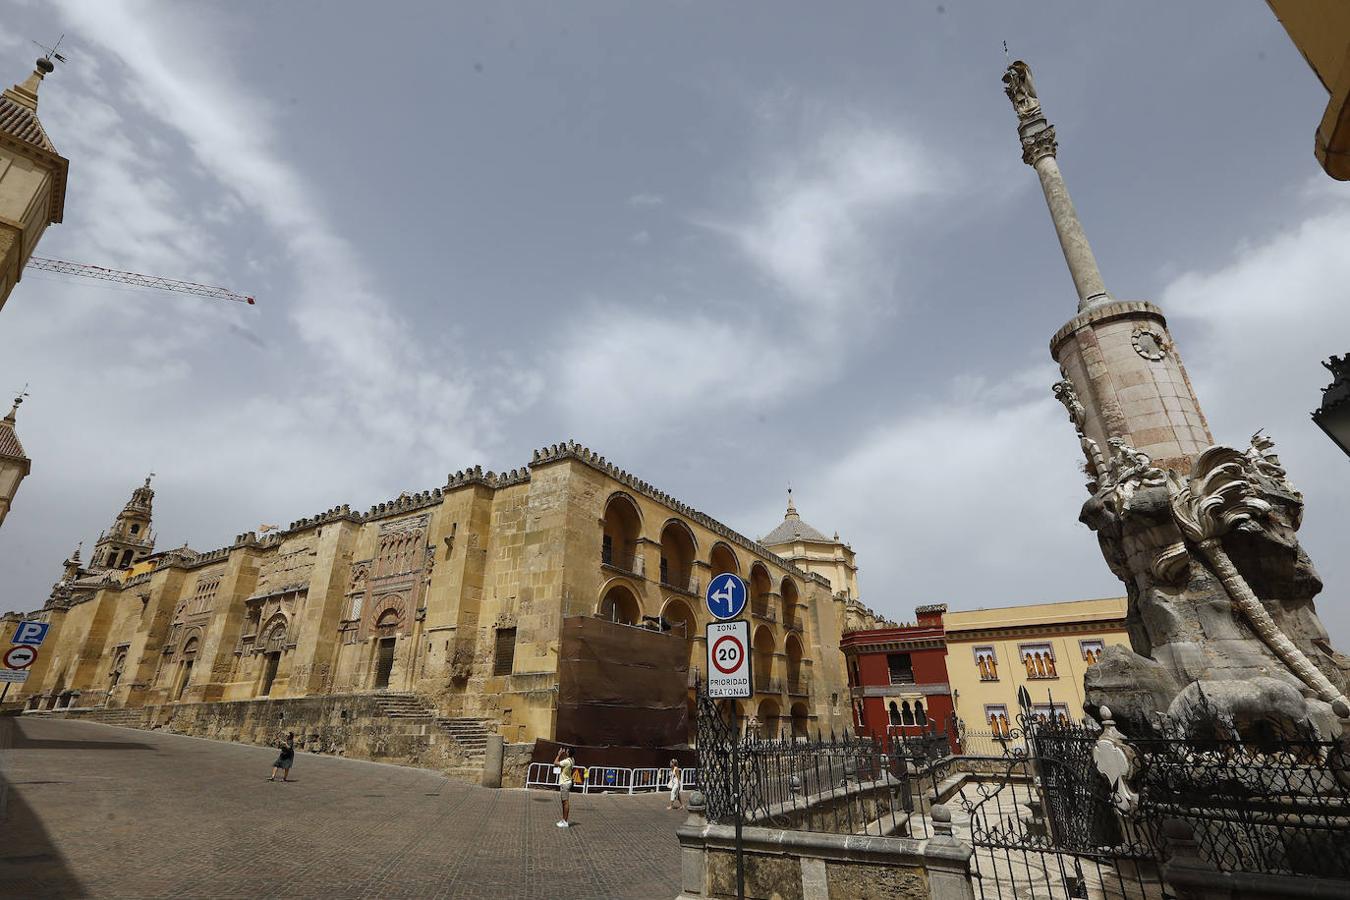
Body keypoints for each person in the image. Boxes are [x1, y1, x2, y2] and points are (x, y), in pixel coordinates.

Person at [555, 746, 574, 828]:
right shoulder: (572, 760)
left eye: (567, 751)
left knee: (565, 802)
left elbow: (555, 762)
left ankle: (565, 821)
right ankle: (563, 819)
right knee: (563, 802)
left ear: (568, 753)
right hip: (567, 782)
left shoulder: (566, 761)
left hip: (565, 783)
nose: (565, 751)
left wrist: (558, 755)